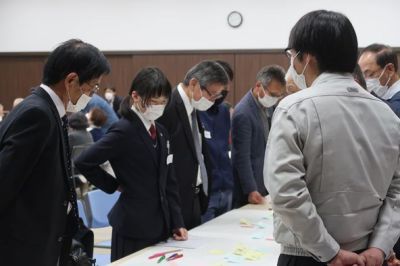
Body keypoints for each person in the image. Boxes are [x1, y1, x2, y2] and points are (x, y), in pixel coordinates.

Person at [264, 10, 400, 266]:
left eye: (292, 56)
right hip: (367, 255)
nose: (292, 64)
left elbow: (285, 192)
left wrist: (330, 251)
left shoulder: (293, 108)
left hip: (307, 256)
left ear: (307, 58)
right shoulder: (387, 114)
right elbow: (397, 191)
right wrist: (380, 248)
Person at [0, 39, 110, 266]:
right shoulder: (37, 114)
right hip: (24, 250)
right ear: (71, 80)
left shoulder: (48, 110)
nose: (92, 94)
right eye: (92, 86)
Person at [75, 67, 187, 261]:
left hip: (161, 224)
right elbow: (84, 161)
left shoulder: (160, 131)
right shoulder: (123, 131)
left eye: (163, 102)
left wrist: (178, 221)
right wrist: (113, 185)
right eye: (153, 102)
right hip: (133, 228)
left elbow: (169, 180)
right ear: (135, 96)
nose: (159, 107)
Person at [158, 60, 229, 229]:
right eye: (211, 94)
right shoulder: (168, 108)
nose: (212, 100)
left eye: (217, 96)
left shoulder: (194, 108)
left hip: (194, 199)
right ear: (194, 83)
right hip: (174, 203)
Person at [231, 65, 285, 208]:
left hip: (266, 181)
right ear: (258, 86)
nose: (275, 99)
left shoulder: (270, 107)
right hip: (250, 188)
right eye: (273, 95)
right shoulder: (243, 113)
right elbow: (241, 156)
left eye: (279, 96)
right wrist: (251, 189)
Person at [198, 60, 234, 223]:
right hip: (207, 190)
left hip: (226, 186)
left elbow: (225, 147)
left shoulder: (224, 111)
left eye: (225, 88)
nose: (222, 93)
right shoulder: (197, 111)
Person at [358, 43, 400, 117]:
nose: (365, 80)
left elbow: (395, 115)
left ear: (390, 69)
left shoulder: (396, 99)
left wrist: (369, 94)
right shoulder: (383, 95)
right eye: (362, 75)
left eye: (370, 74)